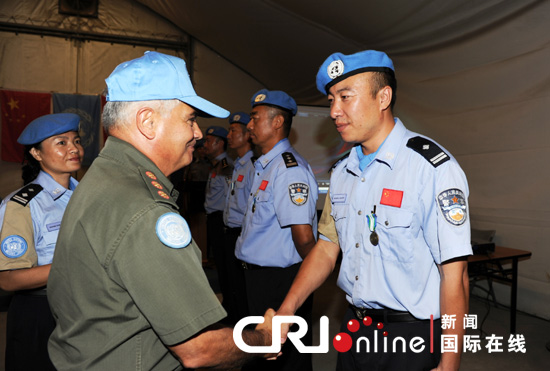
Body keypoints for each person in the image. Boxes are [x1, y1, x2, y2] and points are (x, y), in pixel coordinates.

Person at [47, 51, 275, 370]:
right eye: (190, 119)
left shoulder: (102, 176)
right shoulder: (144, 208)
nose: (197, 133)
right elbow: (199, 349)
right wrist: (265, 338)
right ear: (148, 122)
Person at [277, 50, 472, 371]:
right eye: (330, 100)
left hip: (413, 336)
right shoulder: (341, 172)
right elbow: (327, 249)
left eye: (345, 97)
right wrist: (287, 310)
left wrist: (449, 361)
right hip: (355, 330)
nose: (334, 111)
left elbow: (456, 275)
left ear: (383, 97)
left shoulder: (431, 168)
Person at [236, 89, 318, 371]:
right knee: (264, 355)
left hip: (280, 282)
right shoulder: (265, 166)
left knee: (288, 358)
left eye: (255, 118)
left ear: (277, 122)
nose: (249, 125)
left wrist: (309, 279)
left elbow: (304, 237)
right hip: (260, 279)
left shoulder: (289, 170)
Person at [0, 113, 83, 371]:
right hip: (41, 312)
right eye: (61, 142)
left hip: (85, 307)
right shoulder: (21, 205)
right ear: (37, 154)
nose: (74, 149)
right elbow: (8, 279)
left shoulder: (87, 196)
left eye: (76, 140)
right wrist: (77, 265)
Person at [222, 111, 254, 324]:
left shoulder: (252, 166)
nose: (229, 136)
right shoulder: (239, 164)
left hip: (241, 233)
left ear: (246, 135)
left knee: (241, 287)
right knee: (230, 283)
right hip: (229, 231)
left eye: (234, 131)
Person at [203, 126, 234, 274]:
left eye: (208, 141)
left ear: (220, 143)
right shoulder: (216, 165)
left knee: (225, 264)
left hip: (221, 219)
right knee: (219, 263)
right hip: (213, 218)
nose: (205, 145)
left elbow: (230, 195)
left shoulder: (225, 166)